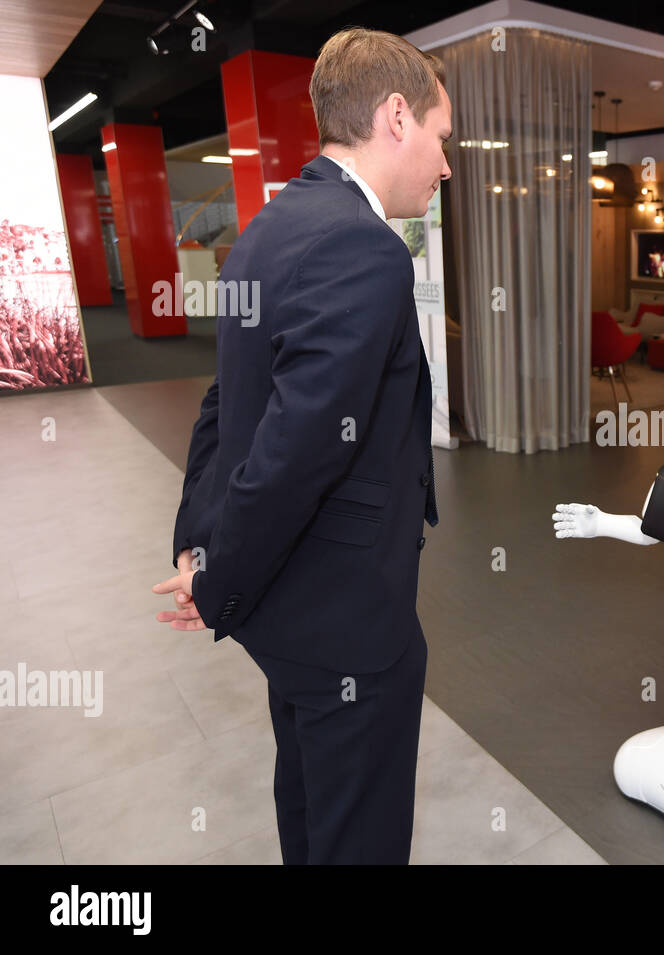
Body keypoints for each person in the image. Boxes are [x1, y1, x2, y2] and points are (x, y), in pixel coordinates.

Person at [151, 27, 452, 864]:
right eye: (441, 136)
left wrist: (199, 542)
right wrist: (217, 582)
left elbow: (227, 403)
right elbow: (295, 450)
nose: (446, 163)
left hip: (289, 612)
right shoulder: (366, 251)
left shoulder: (268, 228)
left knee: (311, 802)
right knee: (359, 831)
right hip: (346, 618)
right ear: (397, 117)